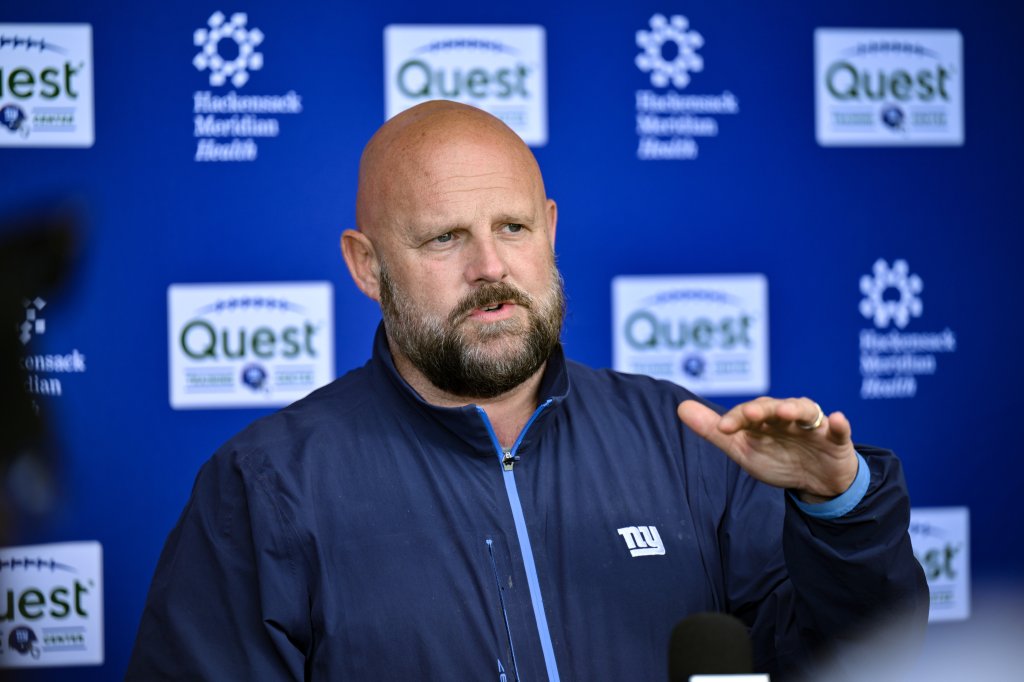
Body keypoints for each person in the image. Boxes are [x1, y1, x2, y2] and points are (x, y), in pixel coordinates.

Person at [127, 101, 928, 680]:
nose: (490, 270)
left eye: (512, 228)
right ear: (366, 266)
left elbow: (854, 657)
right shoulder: (267, 488)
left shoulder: (686, 442)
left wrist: (838, 512)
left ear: (548, 227)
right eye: (445, 237)